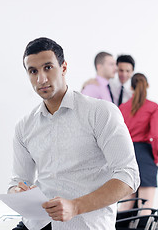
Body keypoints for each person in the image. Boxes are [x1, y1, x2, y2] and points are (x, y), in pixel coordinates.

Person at [8, 37, 140, 230]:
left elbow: (129, 176)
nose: (41, 79)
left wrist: (75, 206)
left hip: (83, 224)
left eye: (48, 67)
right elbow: (19, 180)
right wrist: (16, 191)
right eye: (33, 71)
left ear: (63, 68)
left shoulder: (100, 112)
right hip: (37, 224)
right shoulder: (24, 126)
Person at [119, 73, 158, 216]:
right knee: (145, 208)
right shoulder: (153, 107)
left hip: (126, 155)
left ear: (131, 87)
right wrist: (156, 157)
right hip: (145, 156)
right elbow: (155, 135)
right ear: (147, 86)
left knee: (124, 207)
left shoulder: (122, 108)